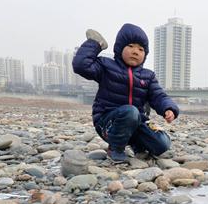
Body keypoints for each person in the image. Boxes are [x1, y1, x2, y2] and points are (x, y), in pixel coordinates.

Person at [72, 25, 179, 163]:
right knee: (130, 112)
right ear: (119, 48)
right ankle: (115, 148)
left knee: (162, 143)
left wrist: (168, 108)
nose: (135, 51)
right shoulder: (106, 66)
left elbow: (158, 96)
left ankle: (137, 144)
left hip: (136, 122)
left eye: (141, 49)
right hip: (108, 122)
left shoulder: (148, 76)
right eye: (130, 46)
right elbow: (81, 65)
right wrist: (95, 44)